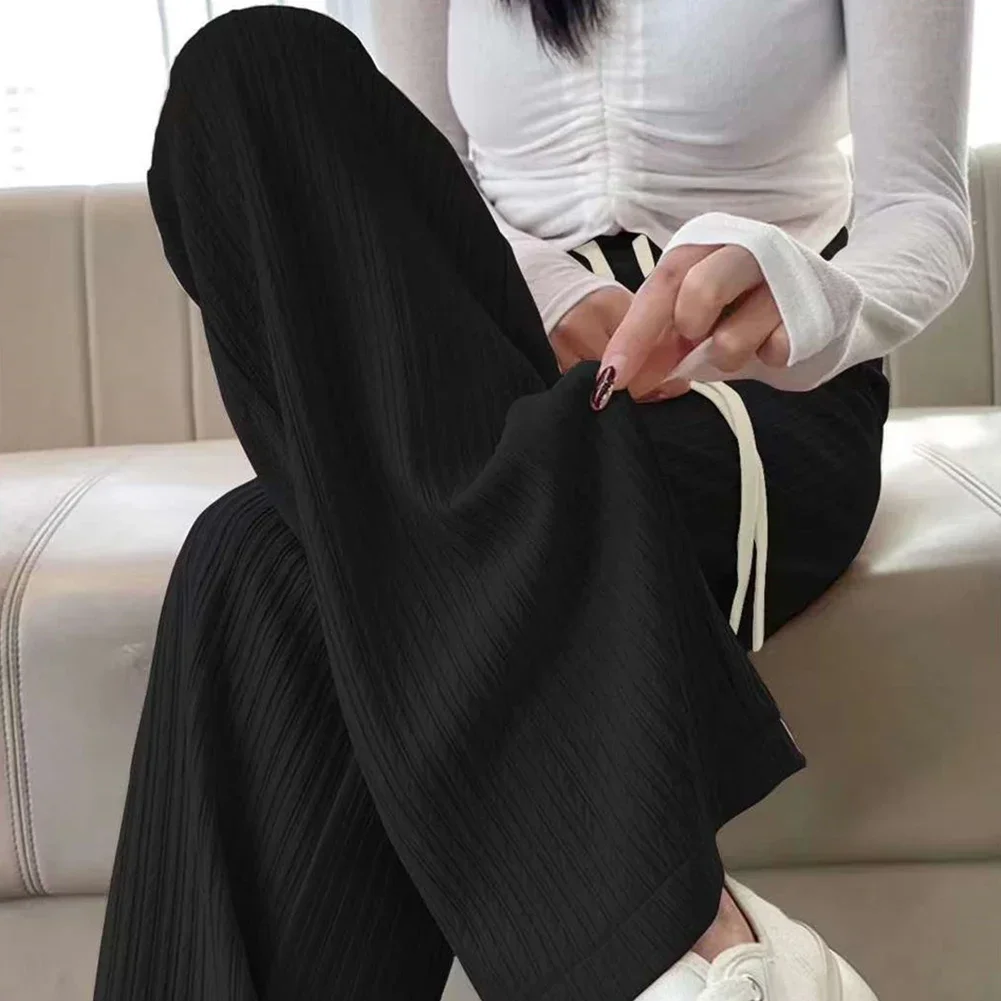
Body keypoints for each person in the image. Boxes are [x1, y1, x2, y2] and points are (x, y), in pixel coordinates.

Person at [92, 3, 972, 1000]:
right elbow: (401, 178)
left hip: (746, 377)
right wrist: (547, 290)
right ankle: (681, 940)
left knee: (259, 559)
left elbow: (922, 212)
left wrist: (801, 296)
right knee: (248, 67)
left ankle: (682, 938)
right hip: (493, 354)